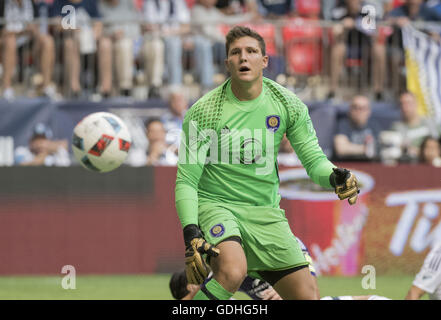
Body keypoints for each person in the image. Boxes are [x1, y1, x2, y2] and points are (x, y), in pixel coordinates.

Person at [175, 26, 360, 300]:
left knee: (307, 297)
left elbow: (314, 161)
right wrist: (191, 230)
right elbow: (187, 180)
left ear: (264, 61)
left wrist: (334, 177)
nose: (243, 58)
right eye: (235, 53)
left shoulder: (287, 104)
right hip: (217, 206)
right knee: (232, 271)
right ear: (227, 63)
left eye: (251, 51)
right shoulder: (203, 111)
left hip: (266, 213)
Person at [328, 0, 386, 100]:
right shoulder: (338, 10)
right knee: (337, 49)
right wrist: (342, 26)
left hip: (365, 47)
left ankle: (378, 91)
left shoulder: (367, 10)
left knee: (379, 50)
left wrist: (355, 23)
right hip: (347, 47)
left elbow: (373, 34)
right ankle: (332, 90)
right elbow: (335, 34)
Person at [0, 0, 56, 100]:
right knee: (10, 41)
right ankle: (7, 88)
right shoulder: (3, 3)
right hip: (6, 43)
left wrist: (32, 30)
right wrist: (18, 32)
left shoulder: (31, 3)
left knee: (48, 41)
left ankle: (46, 87)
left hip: (28, 41)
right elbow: (4, 31)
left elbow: (36, 26)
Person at [49, 0, 103, 98]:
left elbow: (98, 23)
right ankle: (74, 88)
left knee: (105, 45)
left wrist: (91, 36)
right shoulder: (59, 2)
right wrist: (74, 29)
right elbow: (56, 24)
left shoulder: (91, 2)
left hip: (91, 42)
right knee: (70, 44)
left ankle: (104, 89)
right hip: (68, 41)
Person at [97, 0, 142, 97]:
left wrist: (124, 33)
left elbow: (136, 27)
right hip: (108, 39)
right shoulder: (100, 5)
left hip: (128, 40)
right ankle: (106, 88)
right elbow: (98, 27)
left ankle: (125, 88)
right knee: (105, 45)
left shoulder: (128, 3)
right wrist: (111, 33)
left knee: (124, 45)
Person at [387, 91, 440, 163]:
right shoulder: (396, 128)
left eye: (408, 103)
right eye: (402, 104)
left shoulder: (431, 124)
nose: (405, 107)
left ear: (416, 104)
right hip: (407, 166)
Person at [333, 95, 381, 161]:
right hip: (348, 166)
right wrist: (366, 149)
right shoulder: (343, 124)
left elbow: (381, 147)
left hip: (370, 166)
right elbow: (341, 149)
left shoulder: (374, 125)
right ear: (350, 110)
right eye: (355, 107)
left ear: (369, 111)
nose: (359, 111)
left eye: (363, 108)